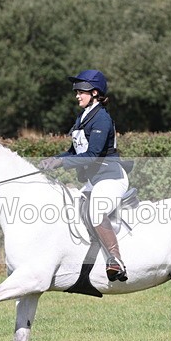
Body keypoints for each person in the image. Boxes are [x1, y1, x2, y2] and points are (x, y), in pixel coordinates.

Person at [39, 69, 130, 282]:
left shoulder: (102, 120)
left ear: (95, 93)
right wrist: (54, 159)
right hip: (93, 181)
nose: (77, 95)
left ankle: (116, 260)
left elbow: (93, 155)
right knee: (70, 211)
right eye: (77, 91)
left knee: (97, 211)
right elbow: (74, 152)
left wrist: (62, 162)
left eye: (81, 91)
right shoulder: (83, 117)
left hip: (110, 178)